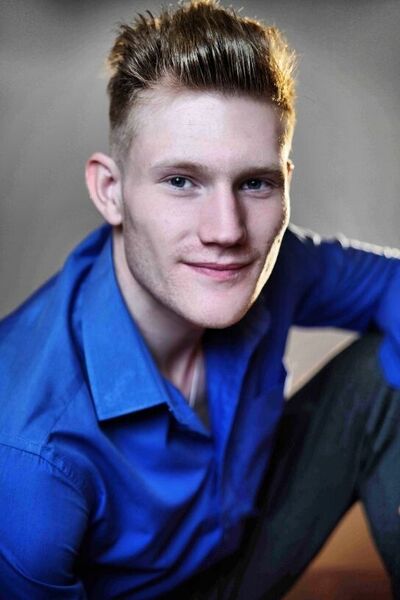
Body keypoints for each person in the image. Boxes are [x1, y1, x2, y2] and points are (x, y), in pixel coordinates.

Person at [0, 1, 399, 598]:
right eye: (181, 181)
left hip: (240, 545)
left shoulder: (274, 263)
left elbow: (392, 283)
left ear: (285, 182)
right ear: (111, 192)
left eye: (255, 183)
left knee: (386, 378)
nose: (227, 231)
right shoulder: (30, 459)